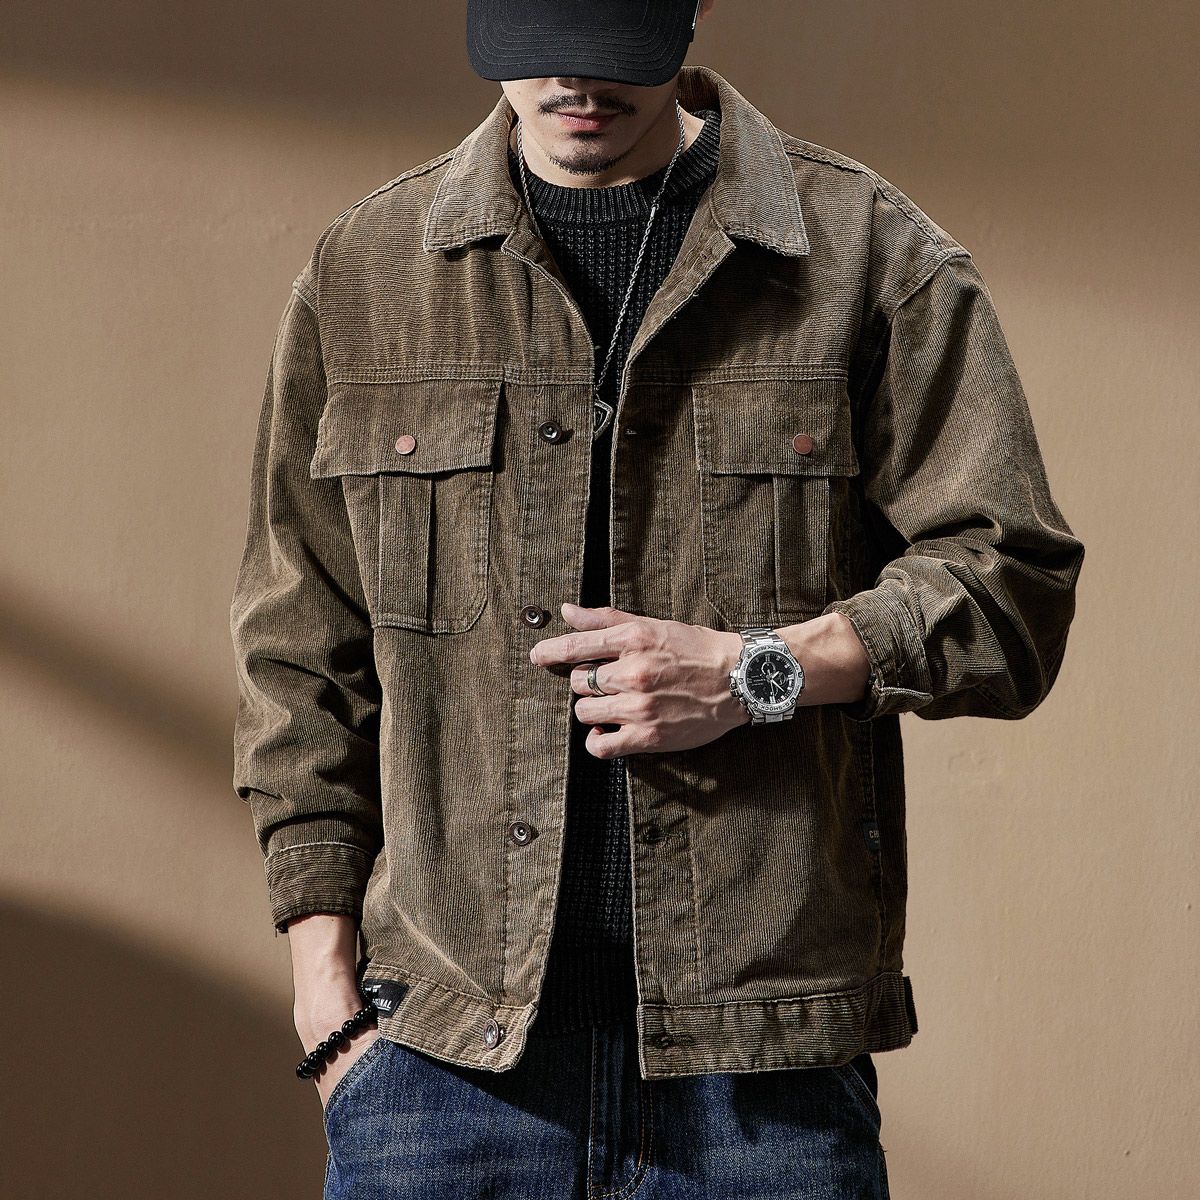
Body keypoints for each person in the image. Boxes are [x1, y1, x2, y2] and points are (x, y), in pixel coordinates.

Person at [228, 1, 1085, 1196]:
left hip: (764, 1085)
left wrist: (754, 673)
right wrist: (327, 1002)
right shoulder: (365, 274)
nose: (576, 82)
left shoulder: (868, 255)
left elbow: (1012, 586)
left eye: (614, 44)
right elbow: (300, 652)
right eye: (540, 37)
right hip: (439, 1074)